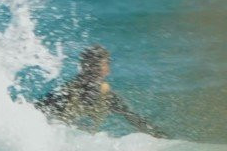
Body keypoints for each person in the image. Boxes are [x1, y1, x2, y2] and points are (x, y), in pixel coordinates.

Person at [35, 45, 167, 138]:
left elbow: (135, 119)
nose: (96, 71)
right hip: (58, 142)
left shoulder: (107, 96)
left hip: (80, 145)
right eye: (93, 67)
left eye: (99, 67)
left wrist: (159, 136)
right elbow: (36, 111)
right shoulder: (66, 92)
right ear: (83, 68)